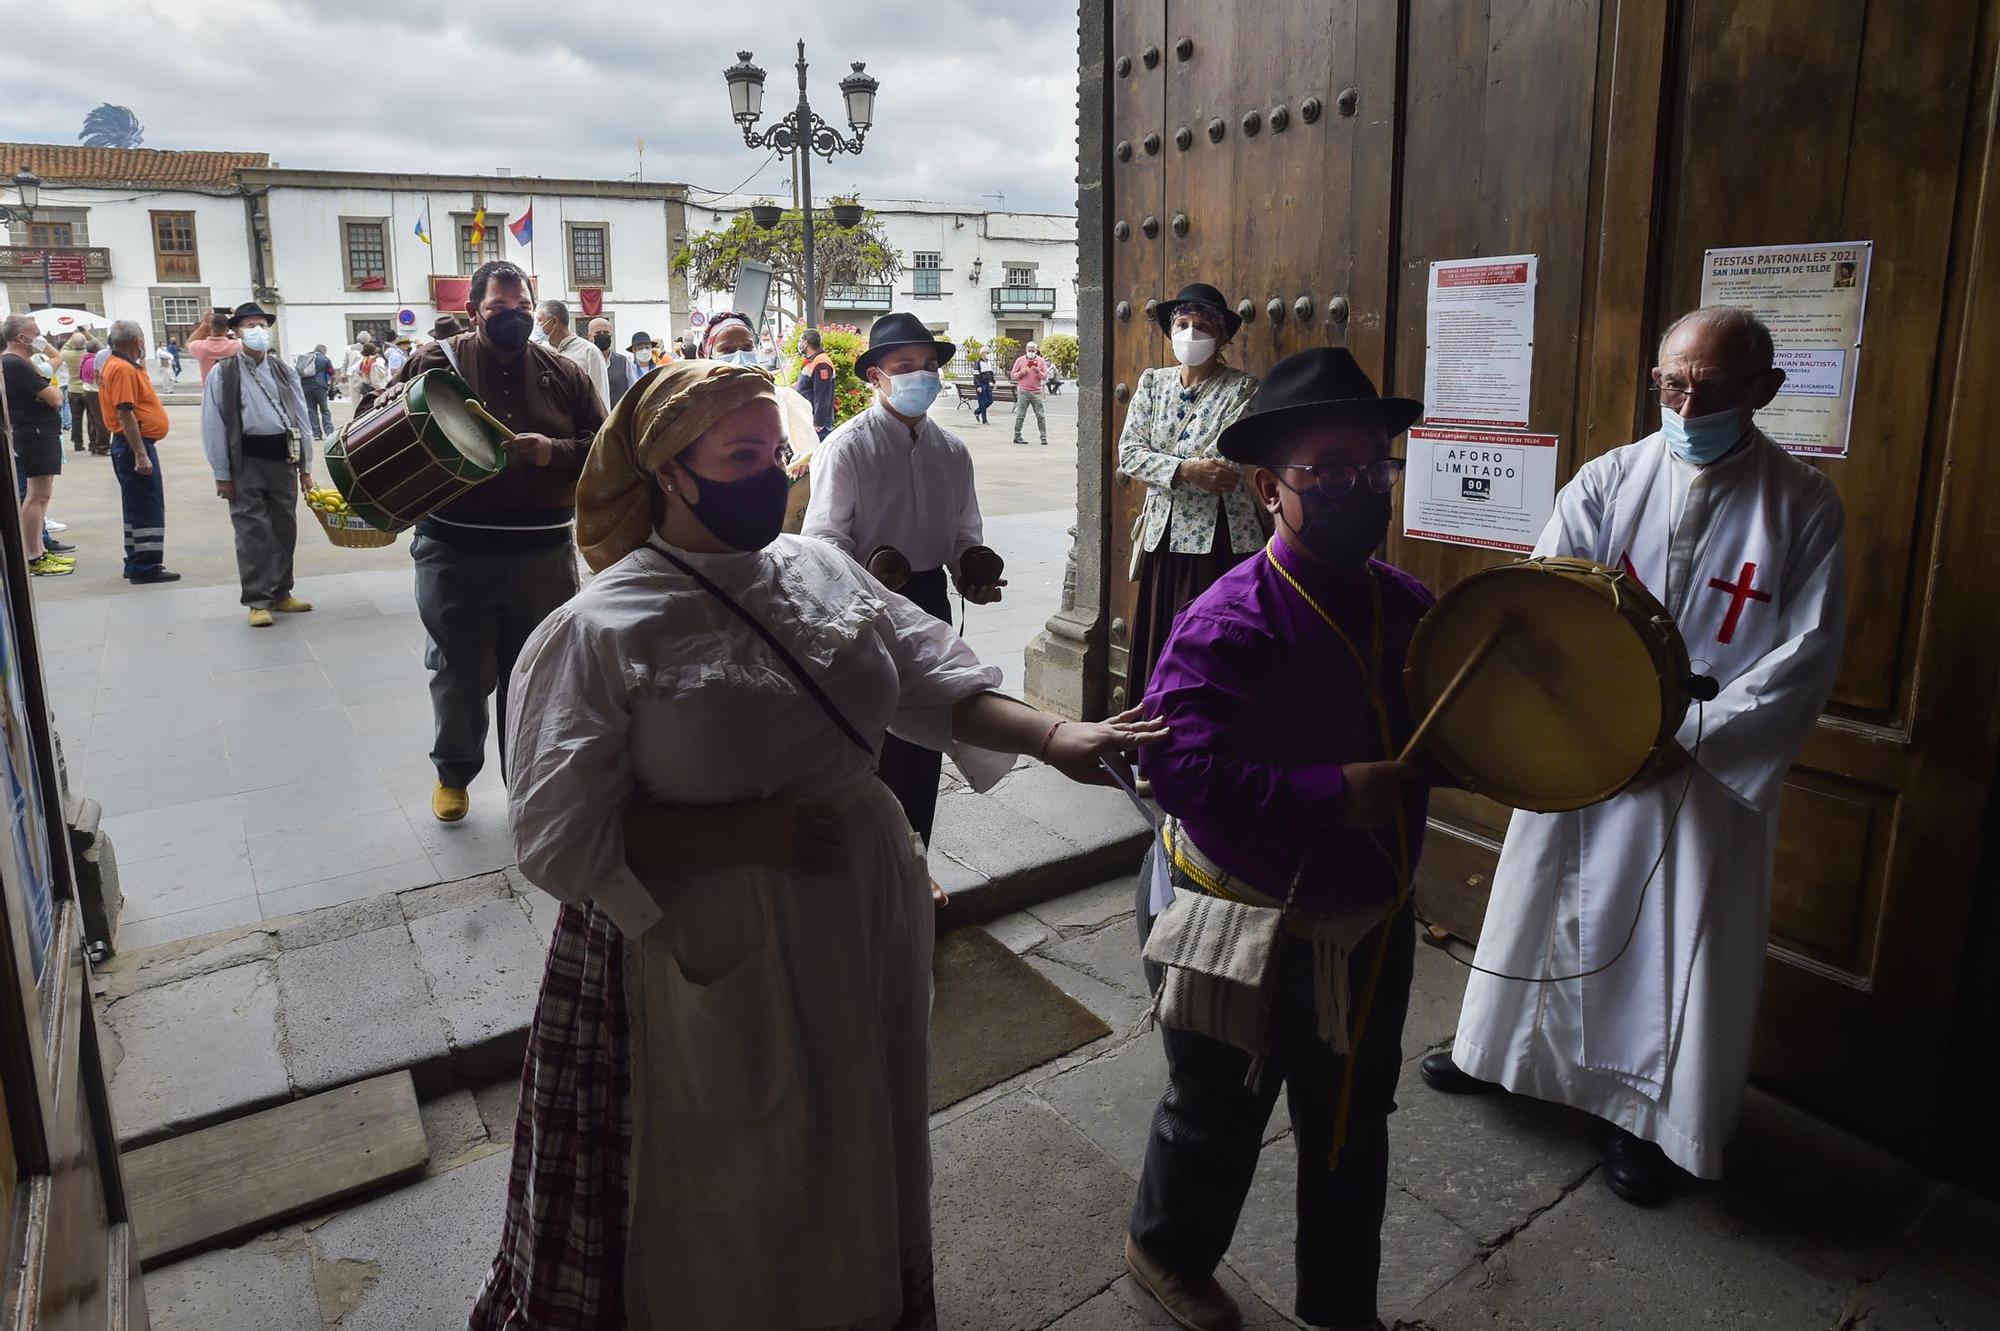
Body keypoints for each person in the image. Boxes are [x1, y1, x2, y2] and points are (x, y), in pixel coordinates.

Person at [469, 356, 1163, 1329]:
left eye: (775, 449)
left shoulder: (814, 566)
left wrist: (1055, 735)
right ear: (667, 467)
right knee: (739, 1165)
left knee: (853, 1117)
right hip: (706, 938)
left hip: (854, 908)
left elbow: (931, 673)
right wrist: (744, 828)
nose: (768, 470)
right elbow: (552, 833)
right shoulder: (599, 627)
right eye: (738, 453)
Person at [1423, 305, 1848, 1206]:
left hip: (1700, 772)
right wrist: (1601, 728)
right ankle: (1500, 1055)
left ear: (1763, 391)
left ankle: (1642, 1118)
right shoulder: (1611, 478)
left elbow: (1806, 654)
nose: (1690, 404)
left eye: (1715, 386)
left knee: (1673, 936)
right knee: (1542, 900)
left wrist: (1688, 737)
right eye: (1674, 382)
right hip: (1588, 748)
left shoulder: (1803, 505)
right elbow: (1539, 606)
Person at [1126, 346, 1430, 1331]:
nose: (1354, 486)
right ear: (1267, 488)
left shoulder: (1405, 606)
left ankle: (1340, 1307)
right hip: (1236, 909)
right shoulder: (1227, 619)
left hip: (1367, 916)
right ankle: (1163, 1248)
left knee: (1351, 1124)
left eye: (1370, 466)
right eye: (1324, 469)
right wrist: (1331, 791)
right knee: (1216, 1109)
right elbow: (1172, 770)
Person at [390, 260, 604, 824]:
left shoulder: (566, 374)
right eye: (499, 310)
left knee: (532, 673)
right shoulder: (437, 362)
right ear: (471, 312)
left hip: (542, 554)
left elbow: (607, 450)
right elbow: (377, 419)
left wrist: (552, 452)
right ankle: (453, 773)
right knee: (460, 669)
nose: (514, 319)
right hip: (454, 549)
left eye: (523, 309)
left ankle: (526, 783)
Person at [803, 311, 1006, 852]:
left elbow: (966, 534)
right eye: (904, 366)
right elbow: (822, 540)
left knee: (924, 742)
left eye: (927, 366)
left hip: (929, 600)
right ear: (875, 376)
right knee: (870, 738)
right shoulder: (846, 447)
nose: (920, 376)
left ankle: (916, 859)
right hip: (861, 606)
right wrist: (869, 570)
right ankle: (869, 865)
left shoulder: (952, 451)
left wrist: (973, 571)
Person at [1118, 282, 1263, 705]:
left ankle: (1206, 740)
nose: (1190, 333)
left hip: (1218, 540)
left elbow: (1225, 469)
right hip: (1163, 538)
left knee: (1207, 642)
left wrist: (1161, 461)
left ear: (1221, 337)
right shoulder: (1153, 383)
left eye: (1202, 326)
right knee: (1161, 637)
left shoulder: (1243, 388)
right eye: (1182, 323)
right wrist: (1184, 467)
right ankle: (1152, 737)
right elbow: (1129, 453)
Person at [201, 303, 317, 629]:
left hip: (282, 458)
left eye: (263, 325)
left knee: (285, 527)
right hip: (246, 460)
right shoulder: (223, 373)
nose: (258, 330)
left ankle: (282, 591)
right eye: (251, 324)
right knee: (252, 531)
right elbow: (213, 424)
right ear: (237, 331)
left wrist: (306, 466)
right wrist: (221, 473)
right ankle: (257, 599)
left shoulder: (283, 370)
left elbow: (301, 419)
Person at [98, 320, 180, 584]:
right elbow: (125, 412)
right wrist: (141, 453)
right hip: (134, 445)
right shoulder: (122, 368)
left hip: (131, 444)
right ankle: (145, 566)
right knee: (146, 506)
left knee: (136, 504)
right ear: (137, 340)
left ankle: (135, 561)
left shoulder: (121, 364)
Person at [1, 316, 74, 576]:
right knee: (35, 496)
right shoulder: (15, 364)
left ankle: (38, 551)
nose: (41, 339)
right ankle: (33, 555)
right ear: (22, 337)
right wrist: (52, 394)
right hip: (35, 433)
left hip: (38, 432)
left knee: (41, 495)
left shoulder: (19, 362)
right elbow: (55, 398)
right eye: (37, 334)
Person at [534, 299, 609, 410]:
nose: (536, 326)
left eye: (540, 321)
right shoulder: (541, 350)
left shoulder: (589, 352)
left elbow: (601, 398)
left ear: (554, 322)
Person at [795, 327, 837, 439]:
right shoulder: (814, 360)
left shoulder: (821, 363)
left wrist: (818, 422)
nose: (799, 344)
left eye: (800, 341)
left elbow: (823, 395)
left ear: (806, 343)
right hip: (809, 416)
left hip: (817, 422)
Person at [589, 317, 640, 407]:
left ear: (611, 335)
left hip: (618, 417)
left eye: (605, 332)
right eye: (598, 333)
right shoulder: (585, 362)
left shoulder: (624, 362)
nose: (602, 335)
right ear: (589, 337)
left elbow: (634, 391)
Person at [1010, 340, 1051, 445]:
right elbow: (1013, 375)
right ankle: (1017, 436)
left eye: (1033, 350)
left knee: (1040, 415)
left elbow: (1045, 376)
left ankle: (1043, 437)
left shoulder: (1041, 361)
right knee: (1020, 415)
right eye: (1029, 350)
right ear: (1026, 350)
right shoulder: (1020, 360)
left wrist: (1038, 371)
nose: (1031, 352)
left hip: (1036, 392)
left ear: (1036, 350)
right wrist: (1021, 373)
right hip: (1023, 391)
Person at [185, 311, 239, 384]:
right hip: (231, 392)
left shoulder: (200, 347)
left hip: (209, 391)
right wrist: (236, 323)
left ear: (210, 328)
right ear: (227, 329)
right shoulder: (236, 346)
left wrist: (203, 325)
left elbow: (188, 343)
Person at [298, 343, 335, 441]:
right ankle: (329, 431)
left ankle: (316, 434)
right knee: (324, 409)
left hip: (305, 386)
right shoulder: (325, 359)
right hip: (320, 386)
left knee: (311, 410)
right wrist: (331, 385)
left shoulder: (306, 357)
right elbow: (332, 375)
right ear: (323, 351)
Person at [78, 339, 109, 455]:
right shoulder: (94, 361)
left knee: (92, 419)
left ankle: (93, 445)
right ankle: (102, 447)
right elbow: (97, 379)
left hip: (87, 390)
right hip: (95, 391)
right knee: (101, 420)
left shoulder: (85, 359)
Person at [351, 339, 391, 416]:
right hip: (376, 388)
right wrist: (383, 389)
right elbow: (376, 380)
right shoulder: (376, 362)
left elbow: (355, 370)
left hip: (367, 387)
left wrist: (363, 376)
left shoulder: (364, 361)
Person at [62, 333, 87, 452]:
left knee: (76, 419)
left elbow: (63, 349)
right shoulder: (87, 354)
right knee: (92, 418)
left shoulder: (68, 355)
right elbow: (97, 344)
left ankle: (78, 443)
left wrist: (72, 338)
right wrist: (86, 335)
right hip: (87, 389)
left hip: (73, 389)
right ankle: (93, 443)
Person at [972, 350, 996, 424]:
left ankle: (977, 411)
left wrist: (994, 382)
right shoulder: (978, 362)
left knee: (990, 400)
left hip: (987, 384)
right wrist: (978, 386)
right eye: (987, 353)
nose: (988, 354)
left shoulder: (988, 362)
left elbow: (991, 373)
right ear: (982, 354)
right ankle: (984, 420)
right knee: (982, 402)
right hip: (981, 384)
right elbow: (975, 376)